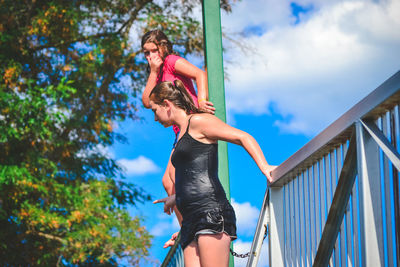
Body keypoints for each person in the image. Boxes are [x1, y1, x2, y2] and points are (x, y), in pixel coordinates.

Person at [151, 80, 275, 267]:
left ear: (166, 104)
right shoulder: (179, 134)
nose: (154, 118)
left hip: (210, 212)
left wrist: (264, 166)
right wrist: (176, 197)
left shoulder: (199, 121)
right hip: (190, 221)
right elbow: (192, 173)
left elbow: (242, 136)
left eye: (154, 110)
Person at [141, 30, 216, 244]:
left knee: (173, 177)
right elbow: (148, 102)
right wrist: (154, 70)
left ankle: (190, 229)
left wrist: (201, 100)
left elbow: (200, 74)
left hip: (191, 122)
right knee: (168, 181)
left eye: (154, 50)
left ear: (163, 47)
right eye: (146, 53)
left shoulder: (173, 61)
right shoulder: (159, 72)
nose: (150, 56)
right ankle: (186, 228)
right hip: (178, 132)